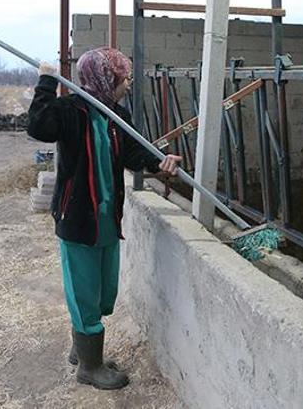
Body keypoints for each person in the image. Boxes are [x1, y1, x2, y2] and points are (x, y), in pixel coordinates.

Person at [27, 47, 181, 390]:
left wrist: (159, 164)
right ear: (105, 79)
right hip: (78, 218)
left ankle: (81, 350)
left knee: (101, 293)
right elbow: (38, 126)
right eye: (122, 76)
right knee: (84, 292)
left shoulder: (115, 114)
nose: (127, 81)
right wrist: (46, 81)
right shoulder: (70, 111)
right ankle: (90, 367)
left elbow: (132, 152)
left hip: (107, 219)